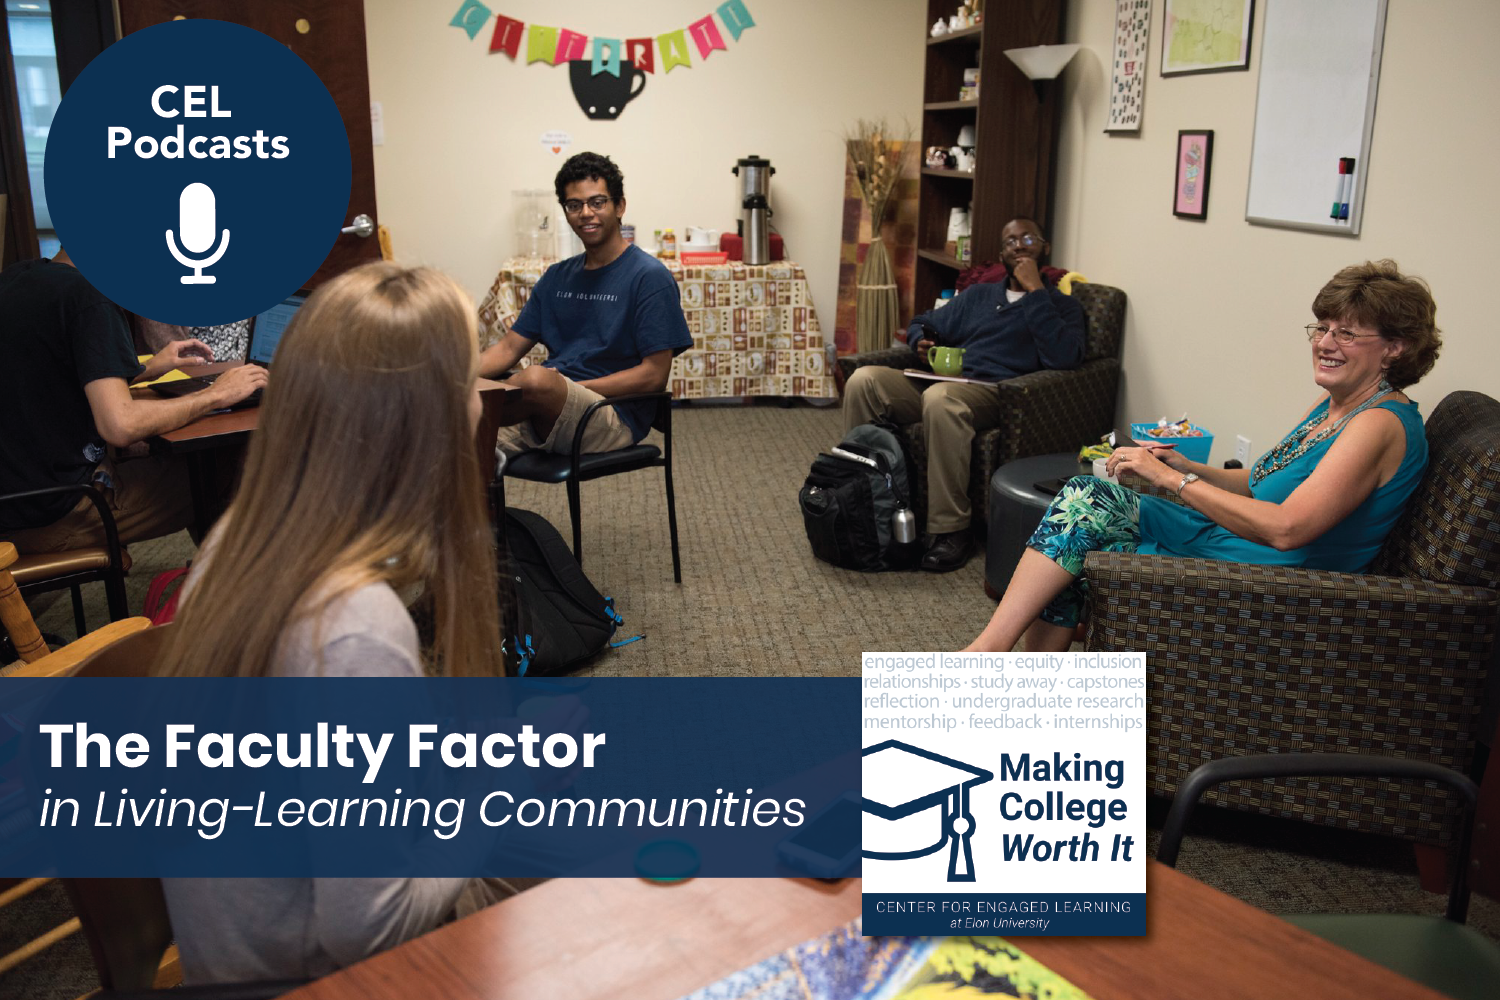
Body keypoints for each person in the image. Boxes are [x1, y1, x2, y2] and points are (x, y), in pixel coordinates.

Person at [155, 262, 533, 983]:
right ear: (429, 417)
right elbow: (370, 929)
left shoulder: (239, 537)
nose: (480, 404)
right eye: (467, 384)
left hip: (236, 949)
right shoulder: (352, 627)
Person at [967, 259, 1440, 653]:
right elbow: (1262, 480)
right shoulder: (1336, 403)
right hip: (1239, 544)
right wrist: (1187, 466)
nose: (1324, 343)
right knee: (1080, 513)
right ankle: (1019, 680)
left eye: (1347, 334)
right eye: (1322, 327)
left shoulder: (1378, 423)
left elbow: (1287, 528)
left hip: (1283, 582)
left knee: (1085, 514)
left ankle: (988, 655)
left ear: (1396, 348)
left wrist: (1173, 483)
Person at [842, 218, 1086, 572]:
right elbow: (924, 321)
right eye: (1010, 241)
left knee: (942, 399)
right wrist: (920, 339)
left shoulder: (1063, 306)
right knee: (864, 380)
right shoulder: (980, 296)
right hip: (948, 380)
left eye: (1028, 238)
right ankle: (864, 505)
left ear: (1044, 247)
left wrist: (1036, 294)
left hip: (1000, 393)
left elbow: (1064, 358)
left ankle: (951, 530)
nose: (1019, 245)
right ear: (1001, 253)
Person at [0, 249, 266, 553]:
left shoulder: (17, 277)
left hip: (13, 503)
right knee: (226, 461)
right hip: (56, 514)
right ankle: (233, 588)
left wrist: (144, 369)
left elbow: (49, 381)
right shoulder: (90, 298)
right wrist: (216, 394)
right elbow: (120, 426)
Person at [477, 151, 691, 464]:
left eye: (597, 202)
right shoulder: (556, 277)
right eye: (574, 205)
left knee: (536, 380)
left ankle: (482, 408)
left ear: (620, 206)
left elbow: (653, 377)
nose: (585, 213)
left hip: (610, 415)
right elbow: (508, 349)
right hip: (543, 407)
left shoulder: (649, 277)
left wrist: (562, 388)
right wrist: (451, 377)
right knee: (447, 445)